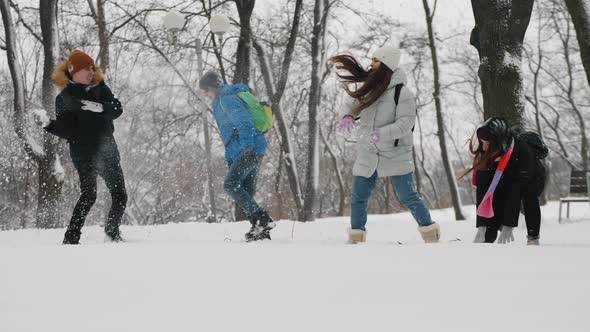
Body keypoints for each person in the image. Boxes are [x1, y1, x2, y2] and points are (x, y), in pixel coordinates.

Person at [329, 46, 440, 244]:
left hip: (395, 152)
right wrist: (347, 115)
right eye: (372, 59)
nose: (371, 64)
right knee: (358, 197)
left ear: (386, 64)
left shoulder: (402, 93)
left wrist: (381, 134)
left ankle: (430, 234)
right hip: (368, 152)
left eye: (376, 60)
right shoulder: (370, 87)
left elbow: (405, 124)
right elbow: (351, 103)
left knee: (408, 196)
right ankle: (355, 238)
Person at [33, 50, 127, 245]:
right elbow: (68, 131)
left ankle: (111, 232)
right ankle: (71, 237)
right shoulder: (65, 98)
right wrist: (48, 125)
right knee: (89, 195)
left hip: (107, 149)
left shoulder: (100, 88)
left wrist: (101, 108)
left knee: (120, 195)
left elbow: (117, 108)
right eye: (86, 69)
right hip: (84, 153)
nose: (91, 72)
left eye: (93, 68)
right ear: (73, 70)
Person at [198, 71, 273, 242]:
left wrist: (247, 148)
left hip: (248, 149)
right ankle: (260, 229)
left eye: (206, 90)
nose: (206, 95)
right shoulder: (225, 98)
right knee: (247, 191)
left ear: (212, 87)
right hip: (253, 148)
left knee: (230, 184)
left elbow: (244, 122)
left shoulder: (226, 99)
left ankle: (262, 218)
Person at [464, 117, 538, 244]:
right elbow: (483, 191)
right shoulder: (485, 155)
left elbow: (516, 190)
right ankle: (489, 236)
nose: (484, 146)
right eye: (482, 142)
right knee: (495, 194)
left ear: (498, 142)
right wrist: (482, 227)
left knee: (528, 196)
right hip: (504, 176)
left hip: (529, 175)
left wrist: (508, 225)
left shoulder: (522, 150)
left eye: (487, 143)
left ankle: (533, 237)